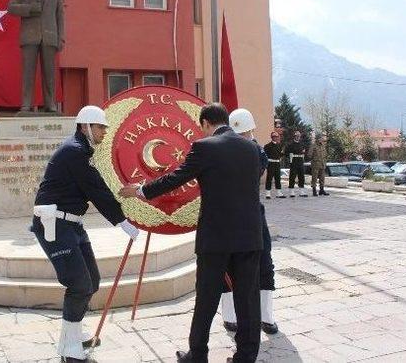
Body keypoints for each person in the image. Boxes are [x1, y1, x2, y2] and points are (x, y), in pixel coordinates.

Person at [120, 103, 263, 363]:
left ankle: (198, 354)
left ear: (207, 123)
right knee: (248, 299)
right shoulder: (252, 149)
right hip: (249, 236)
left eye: (202, 127)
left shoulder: (205, 147)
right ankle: (246, 356)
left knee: (207, 298)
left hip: (216, 238)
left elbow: (176, 177)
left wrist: (141, 190)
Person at [31, 105, 139, 362]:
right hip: (55, 225)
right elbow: (96, 189)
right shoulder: (75, 151)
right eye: (100, 127)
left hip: (72, 224)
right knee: (79, 284)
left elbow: (95, 186)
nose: (104, 132)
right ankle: (70, 350)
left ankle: (74, 334)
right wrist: (121, 221)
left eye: (104, 128)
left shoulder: (81, 151)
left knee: (92, 280)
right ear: (85, 126)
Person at [221, 108, 278, 336]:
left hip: (252, 214)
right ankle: (230, 316)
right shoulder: (222, 150)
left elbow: (260, 165)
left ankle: (266, 316)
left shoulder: (255, 152)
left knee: (265, 264)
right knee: (226, 267)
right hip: (228, 217)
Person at [8, 0, 65, 112]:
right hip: (30, 35)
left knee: (49, 73)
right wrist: (29, 8)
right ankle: (26, 103)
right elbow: (11, 7)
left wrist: (61, 37)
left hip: (50, 36)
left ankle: (50, 104)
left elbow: (60, 15)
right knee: (28, 72)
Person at [263, 131, 286, 199]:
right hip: (270, 163)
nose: (275, 138)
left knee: (278, 178)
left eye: (276, 136)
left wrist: (283, 153)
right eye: (274, 136)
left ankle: (278, 193)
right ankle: (268, 193)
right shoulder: (267, 146)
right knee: (269, 178)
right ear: (271, 137)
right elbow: (265, 156)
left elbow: (280, 154)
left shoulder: (279, 145)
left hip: (277, 163)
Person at [285, 131, 308, 197]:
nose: (298, 137)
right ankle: (291, 191)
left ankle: (301, 191)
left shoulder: (302, 144)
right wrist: (290, 157)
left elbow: (304, 152)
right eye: (296, 136)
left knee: (301, 176)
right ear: (294, 136)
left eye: (299, 136)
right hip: (294, 161)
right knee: (292, 176)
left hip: (300, 161)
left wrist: (304, 153)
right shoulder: (290, 144)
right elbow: (286, 153)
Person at [309, 133, 330, 197]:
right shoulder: (313, 145)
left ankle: (321, 190)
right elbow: (309, 155)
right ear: (318, 139)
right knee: (314, 178)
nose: (322, 139)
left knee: (322, 178)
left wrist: (325, 162)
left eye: (322, 138)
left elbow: (325, 154)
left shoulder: (323, 146)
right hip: (315, 164)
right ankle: (314, 191)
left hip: (322, 164)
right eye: (321, 138)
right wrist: (315, 158)